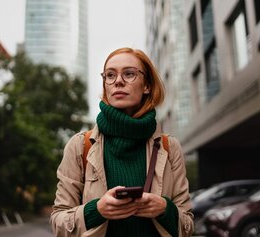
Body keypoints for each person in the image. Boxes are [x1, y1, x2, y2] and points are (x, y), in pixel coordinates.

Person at [50, 47, 194, 237]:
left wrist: (165, 209)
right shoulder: (80, 146)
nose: (118, 81)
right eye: (110, 75)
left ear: (147, 86)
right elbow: (58, 222)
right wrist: (97, 210)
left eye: (129, 74)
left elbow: (188, 226)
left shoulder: (169, 147)